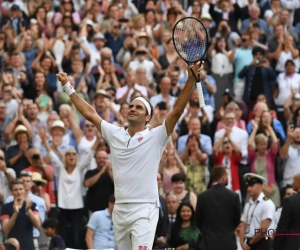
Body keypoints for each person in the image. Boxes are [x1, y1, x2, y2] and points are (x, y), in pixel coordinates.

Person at [56, 60, 203, 249]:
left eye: (139, 108)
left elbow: (177, 111)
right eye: (131, 106)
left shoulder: (156, 136)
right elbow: (90, 113)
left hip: (145, 209)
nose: (133, 109)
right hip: (120, 209)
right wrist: (68, 87)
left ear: (148, 117)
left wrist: (190, 80)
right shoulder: (115, 133)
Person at [195, 166, 241, 250]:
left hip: (207, 243)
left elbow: (198, 220)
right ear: (224, 178)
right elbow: (237, 220)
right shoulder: (234, 196)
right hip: (227, 244)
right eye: (227, 176)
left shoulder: (202, 196)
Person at [0, 179, 41, 250]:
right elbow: (6, 230)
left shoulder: (32, 205)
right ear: (11, 192)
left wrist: (28, 210)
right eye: (15, 190)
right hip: (12, 246)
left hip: (29, 246)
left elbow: (38, 225)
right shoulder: (6, 207)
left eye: (21, 189)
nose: (19, 192)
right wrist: (15, 213)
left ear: (24, 190)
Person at [240, 173, 276, 250]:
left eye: (251, 186)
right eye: (248, 186)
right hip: (249, 242)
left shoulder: (267, 203)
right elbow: (243, 224)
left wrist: (250, 243)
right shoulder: (248, 204)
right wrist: (242, 242)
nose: (248, 189)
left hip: (262, 242)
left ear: (260, 185)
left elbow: (263, 229)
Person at [273, 174, 300, 250]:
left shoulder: (290, 201)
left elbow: (282, 226)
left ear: (299, 183)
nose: (292, 184)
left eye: (294, 181)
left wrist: (275, 247)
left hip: (293, 244)